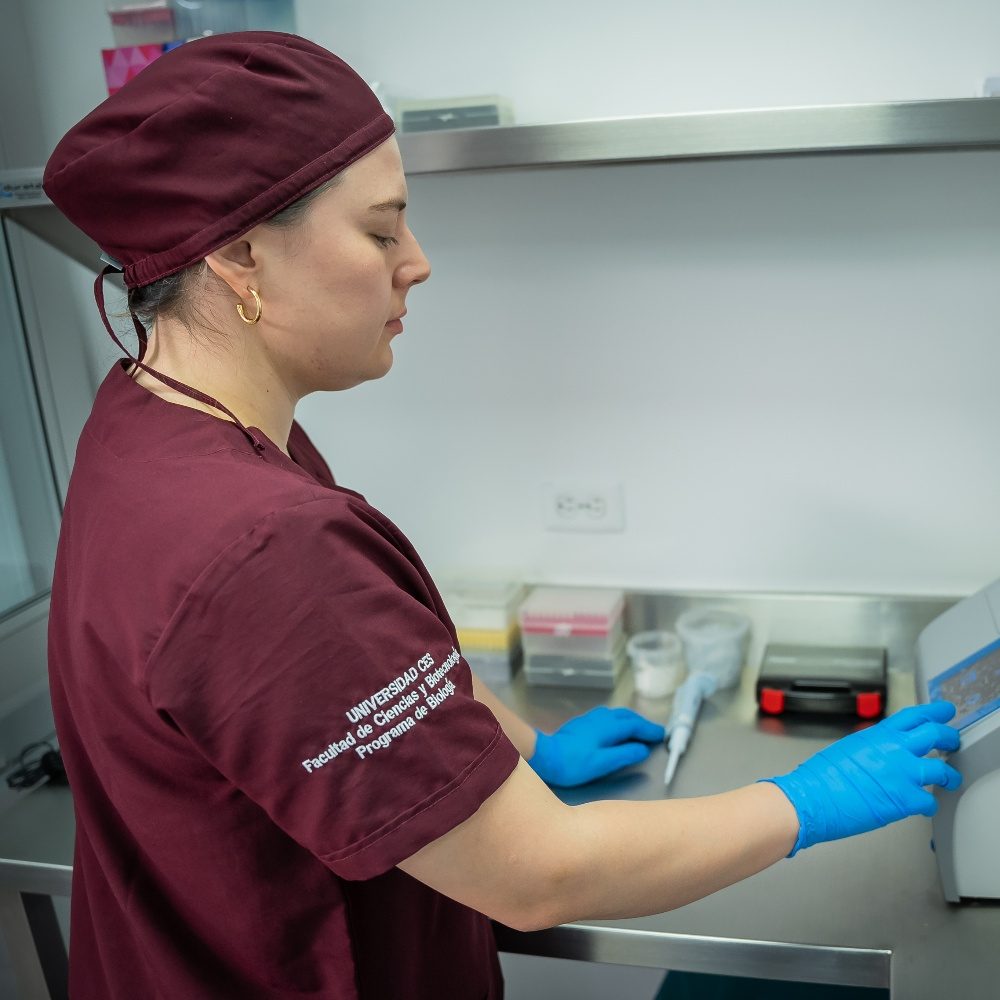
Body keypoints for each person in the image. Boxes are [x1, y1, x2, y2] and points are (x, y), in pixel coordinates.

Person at [42, 32, 961, 1000]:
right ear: (240, 256)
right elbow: (536, 874)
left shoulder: (151, 426)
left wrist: (526, 745)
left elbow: (363, 671)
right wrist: (804, 800)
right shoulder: (259, 544)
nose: (418, 263)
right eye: (381, 232)